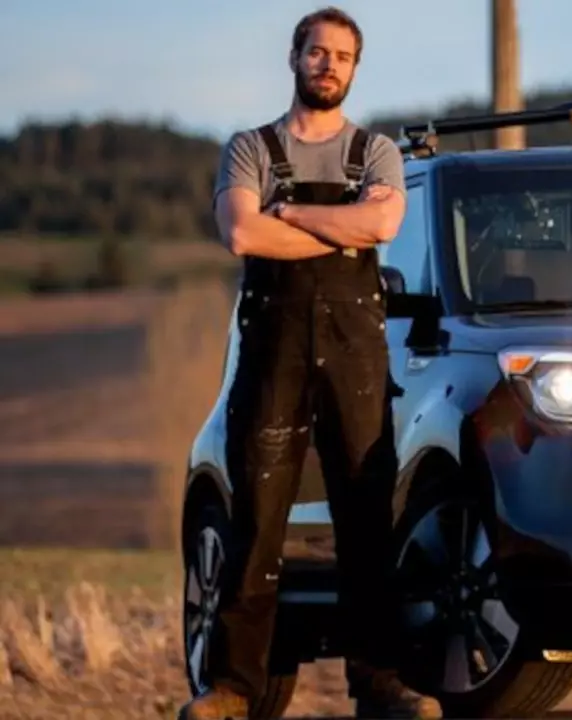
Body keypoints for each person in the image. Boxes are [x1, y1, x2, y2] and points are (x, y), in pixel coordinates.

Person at [179, 7, 436, 720]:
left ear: (355, 69)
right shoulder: (250, 148)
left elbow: (382, 224)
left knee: (366, 522)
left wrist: (286, 217)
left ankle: (380, 684)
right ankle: (233, 689)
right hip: (272, 357)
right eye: (317, 52)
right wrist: (337, 229)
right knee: (256, 521)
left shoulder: (375, 152)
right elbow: (241, 232)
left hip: (355, 358)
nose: (329, 65)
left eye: (342, 56)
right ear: (294, 58)